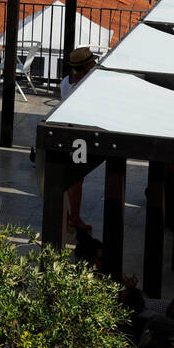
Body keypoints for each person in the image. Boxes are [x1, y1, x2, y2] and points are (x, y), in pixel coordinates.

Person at [61, 46, 98, 232]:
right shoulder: (85, 87)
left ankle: (70, 216)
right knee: (76, 179)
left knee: (73, 177)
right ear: (85, 68)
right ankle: (73, 218)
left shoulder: (65, 83)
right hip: (79, 139)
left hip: (69, 136)